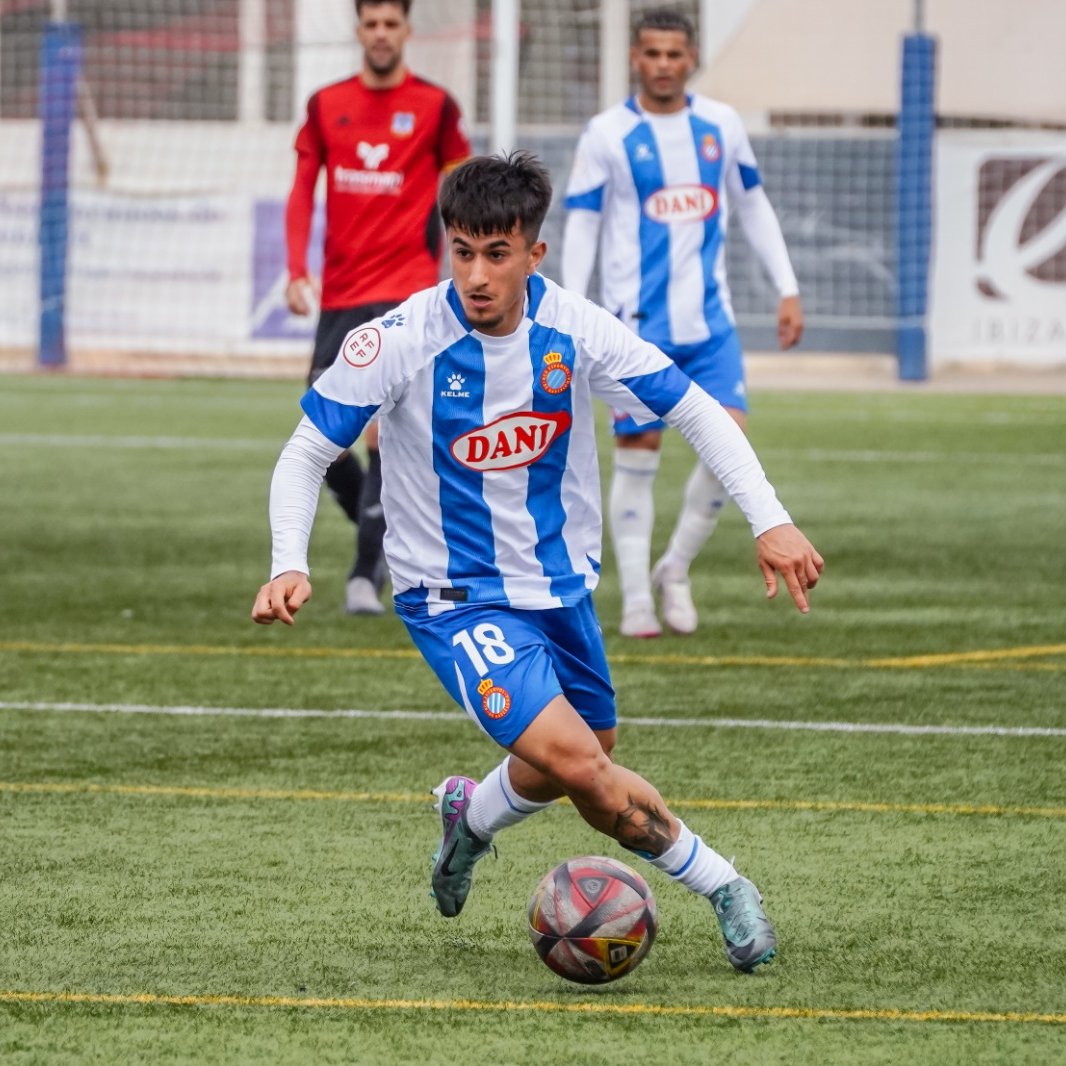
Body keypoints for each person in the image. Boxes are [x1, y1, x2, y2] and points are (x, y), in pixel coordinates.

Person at [253, 152, 823, 974]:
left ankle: (469, 818)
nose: (477, 273)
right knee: (585, 766)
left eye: (496, 252)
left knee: (574, 758)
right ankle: (727, 886)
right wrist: (287, 561)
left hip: (559, 591)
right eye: (462, 251)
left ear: (533, 253)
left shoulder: (579, 330)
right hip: (451, 599)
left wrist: (770, 520)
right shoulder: (399, 339)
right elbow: (306, 453)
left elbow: (694, 409)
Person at [562, 7, 804, 638]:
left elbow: (753, 205)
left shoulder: (721, 125)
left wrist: (788, 287)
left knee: (731, 446)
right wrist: (569, 302)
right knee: (638, 452)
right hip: (636, 327)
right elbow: (584, 222)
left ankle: (675, 567)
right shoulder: (606, 133)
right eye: (651, 54)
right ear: (634, 58)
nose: (663, 65)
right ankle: (637, 596)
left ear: (691, 57)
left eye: (674, 54)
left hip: (710, 325)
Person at [284, 0, 471, 615]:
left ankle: (364, 575)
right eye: (372, 24)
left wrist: (461, 269)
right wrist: (296, 268)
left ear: (406, 30)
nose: (382, 34)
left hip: (406, 289)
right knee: (324, 439)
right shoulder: (324, 105)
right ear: (359, 30)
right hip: (340, 293)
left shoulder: (435, 107)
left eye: (392, 23)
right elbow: (300, 192)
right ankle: (387, 535)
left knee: (381, 436)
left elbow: (464, 192)